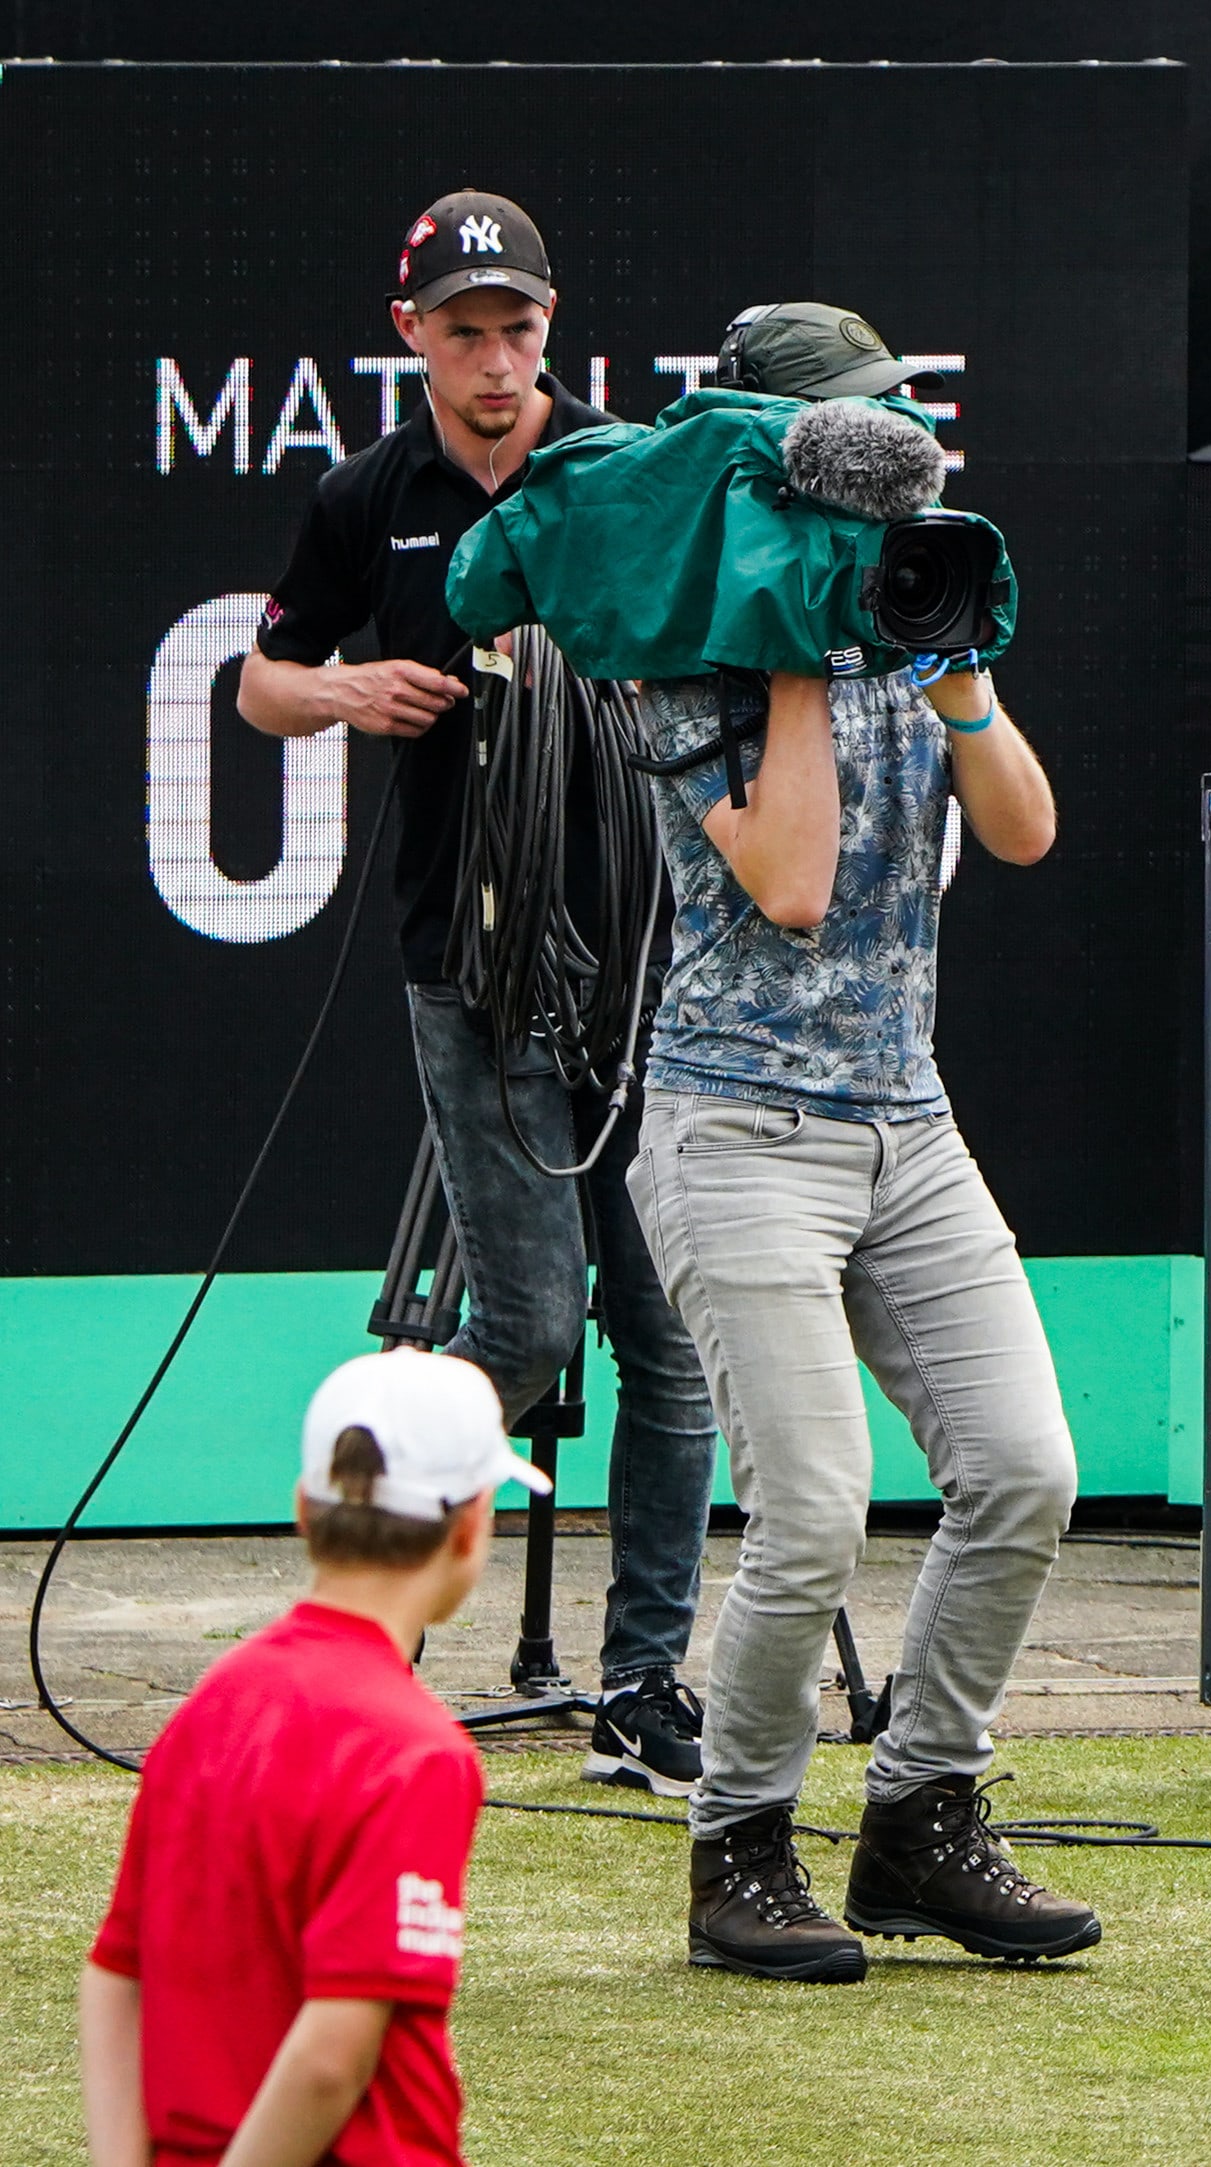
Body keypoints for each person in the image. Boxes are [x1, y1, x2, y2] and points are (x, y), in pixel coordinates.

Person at [621, 304, 1099, 1985]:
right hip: (735, 1123)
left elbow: (1027, 826)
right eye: (846, 435)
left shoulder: (919, 606)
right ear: (765, 456)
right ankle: (738, 1842)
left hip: (908, 1117)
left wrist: (949, 664)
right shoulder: (678, 639)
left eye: (893, 427)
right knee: (814, 1507)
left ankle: (920, 1816)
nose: (881, 465)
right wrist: (789, 631)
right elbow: (798, 880)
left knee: (1027, 1468)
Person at [238, 189, 718, 1800]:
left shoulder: (625, 470)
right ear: (412, 340)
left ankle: (647, 1679)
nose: (499, 359)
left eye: (520, 327)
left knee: (669, 1333)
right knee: (518, 1315)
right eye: (466, 331)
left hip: (654, 967)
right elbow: (259, 681)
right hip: (470, 961)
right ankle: (351, 1640)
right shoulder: (368, 494)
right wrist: (347, 689)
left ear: (550, 327)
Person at [83, 1350, 541, 2167]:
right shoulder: (419, 1751)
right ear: (474, 1524)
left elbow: (116, 1973)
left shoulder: (211, 1704)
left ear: (304, 1508)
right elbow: (333, 2054)